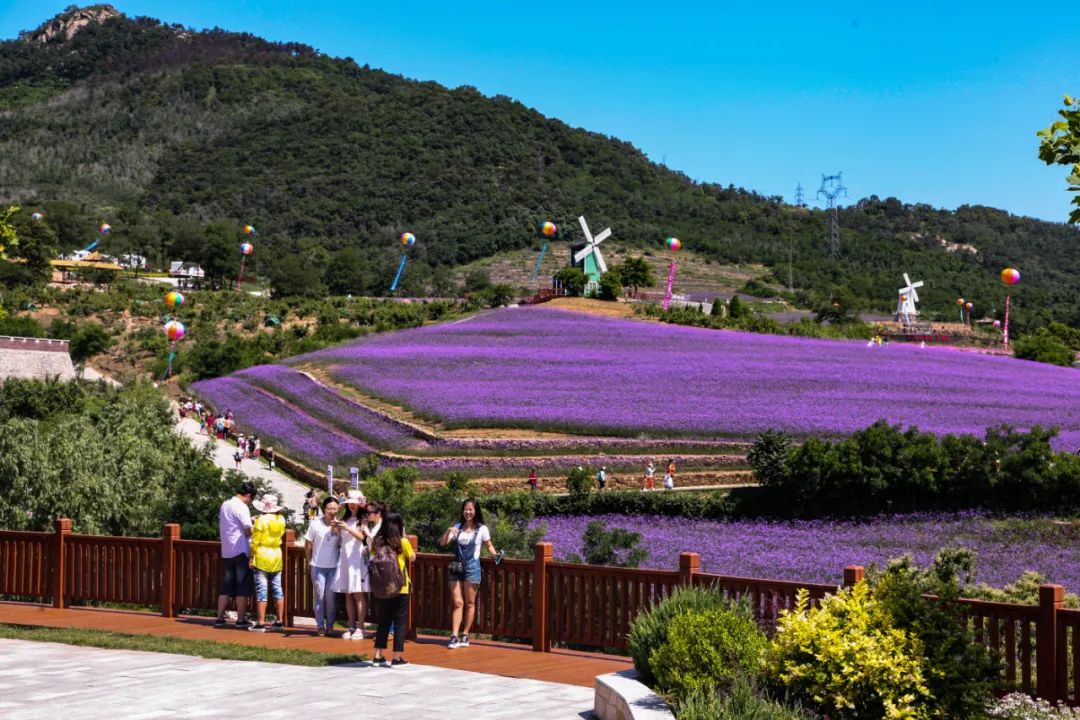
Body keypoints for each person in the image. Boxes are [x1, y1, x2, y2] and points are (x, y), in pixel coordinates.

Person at [439, 498, 501, 650]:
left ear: (476, 511)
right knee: (457, 602)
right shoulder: (457, 527)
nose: (468, 512)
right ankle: (454, 635)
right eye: (466, 509)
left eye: (471, 509)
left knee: (470, 603)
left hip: (472, 567)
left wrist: (496, 555)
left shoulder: (482, 529)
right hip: (456, 566)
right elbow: (442, 543)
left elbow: (489, 546)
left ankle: (465, 634)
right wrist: (448, 531)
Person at [370, 511, 414, 667]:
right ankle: (397, 658)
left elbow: (372, 557)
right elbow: (413, 557)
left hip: (382, 589)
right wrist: (405, 535)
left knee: (383, 621)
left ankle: (377, 656)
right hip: (400, 588)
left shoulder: (378, 542)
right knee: (399, 622)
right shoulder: (402, 542)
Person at [215, 481, 256, 628]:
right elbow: (247, 530)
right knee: (242, 585)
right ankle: (240, 619)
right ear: (248, 496)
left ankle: (219, 618)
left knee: (226, 585)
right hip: (240, 550)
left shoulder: (225, 504)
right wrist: (255, 525)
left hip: (226, 550)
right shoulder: (242, 507)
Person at [332, 489, 371, 640]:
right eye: (350, 503)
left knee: (358, 593)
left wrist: (347, 528)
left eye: (355, 503)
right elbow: (337, 535)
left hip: (357, 557)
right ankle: (351, 625)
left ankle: (361, 627)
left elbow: (361, 537)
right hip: (345, 557)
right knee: (348, 593)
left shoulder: (364, 520)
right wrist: (336, 526)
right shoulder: (345, 518)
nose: (352, 506)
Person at [249, 494, 287, 632]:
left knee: (262, 591)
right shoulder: (281, 519)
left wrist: (251, 556)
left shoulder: (261, 520)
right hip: (276, 555)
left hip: (262, 556)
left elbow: (255, 541)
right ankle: (280, 621)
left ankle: (261, 622)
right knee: (278, 589)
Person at [304, 495, 341, 636]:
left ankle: (330, 625)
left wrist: (336, 528)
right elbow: (308, 543)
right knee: (319, 596)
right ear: (324, 509)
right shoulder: (315, 524)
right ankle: (320, 626)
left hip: (333, 567)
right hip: (317, 566)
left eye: (335, 509)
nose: (332, 511)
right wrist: (309, 561)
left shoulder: (340, 524)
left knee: (330, 597)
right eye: (329, 508)